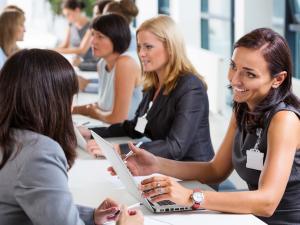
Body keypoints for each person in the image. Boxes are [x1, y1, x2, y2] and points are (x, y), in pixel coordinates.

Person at [119, 28, 300, 225]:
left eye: (249, 74)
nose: (234, 80)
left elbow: (267, 202)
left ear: (278, 79)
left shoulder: (284, 120)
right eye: (233, 66)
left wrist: (191, 197)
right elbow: (216, 170)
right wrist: (157, 164)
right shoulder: (242, 108)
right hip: (250, 219)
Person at [0, 49, 143, 225]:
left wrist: (89, 216)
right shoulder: (38, 152)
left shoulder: (11, 139)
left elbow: (35, 206)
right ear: (53, 99)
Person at [83, 15, 215, 163]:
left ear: (171, 48)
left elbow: (175, 147)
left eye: (148, 47)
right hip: (163, 167)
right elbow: (137, 128)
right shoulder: (154, 84)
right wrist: (92, 132)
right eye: (139, 46)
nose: (141, 53)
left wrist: (121, 149)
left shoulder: (190, 87)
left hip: (193, 174)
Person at [73, 14, 142, 124]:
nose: (93, 41)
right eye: (92, 35)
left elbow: (118, 118)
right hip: (115, 129)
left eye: (100, 36)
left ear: (116, 38)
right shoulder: (102, 64)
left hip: (133, 133)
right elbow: (103, 106)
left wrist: (92, 112)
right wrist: (70, 110)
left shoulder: (125, 63)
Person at [53, 0, 96, 66]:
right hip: (75, 61)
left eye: (68, 14)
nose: (67, 18)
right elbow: (65, 45)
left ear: (77, 10)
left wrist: (56, 51)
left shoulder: (91, 26)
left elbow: (82, 50)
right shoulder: (71, 25)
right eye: (65, 16)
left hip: (88, 63)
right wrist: (51, 51)